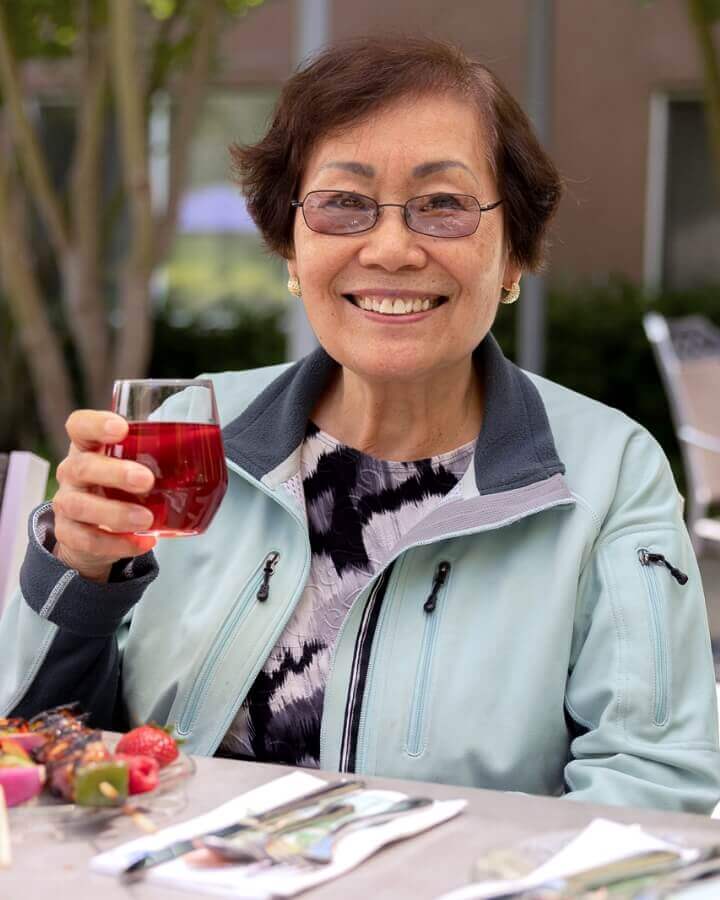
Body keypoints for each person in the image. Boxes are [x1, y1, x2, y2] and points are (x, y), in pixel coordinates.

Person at [1, 36, 719, 813]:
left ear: (514, 254)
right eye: (343, 203)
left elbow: (653, 781)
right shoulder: (190, 432)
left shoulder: (608, 470)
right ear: (289, 245)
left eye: (442, 205)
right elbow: (40, 743)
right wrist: (79, 572)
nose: (389, 247)